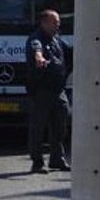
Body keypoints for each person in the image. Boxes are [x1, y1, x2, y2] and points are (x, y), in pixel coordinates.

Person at [24, 9, 71, 174]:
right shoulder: (36, 39)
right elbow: (37, 51)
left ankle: (57, 159)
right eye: (54, 22)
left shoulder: (57, 39)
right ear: (43, 23)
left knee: (60, 125)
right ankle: (37, 163)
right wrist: (39, 58)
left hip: (58, 90)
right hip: (42, 91)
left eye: (58, 22)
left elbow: (70, 52)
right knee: (38, 126)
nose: (58, 25)